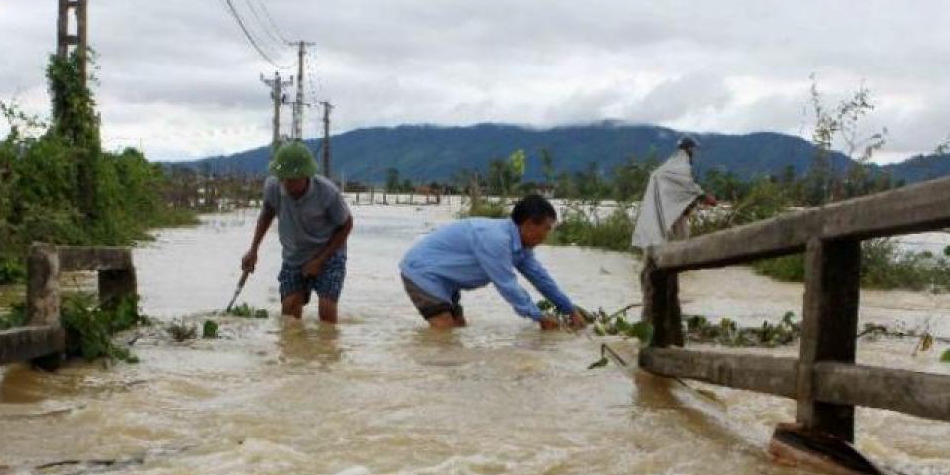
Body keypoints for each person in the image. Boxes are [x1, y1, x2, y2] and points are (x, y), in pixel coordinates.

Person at [399, 194, 588, 330]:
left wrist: (569, 309)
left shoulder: (521, 247)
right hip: (424, 273)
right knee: (444, 333)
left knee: (458, 329)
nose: (547, 235)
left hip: (447, 280)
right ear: (530, 224)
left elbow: (541, 279)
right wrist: (539, 316)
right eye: (546, 229)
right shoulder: (496, 239)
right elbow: (507, 284)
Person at [241, 142, 354, 323]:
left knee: (326, 311)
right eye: (282, 178)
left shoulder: (327, 192)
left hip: (329, 253)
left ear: (306, 176)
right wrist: (253, 249)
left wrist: (320, 260)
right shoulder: (273, 187)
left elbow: (347, 224)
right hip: (294, 255)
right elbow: (267, 214)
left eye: (292, 179)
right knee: (289, 314)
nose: (286, 184)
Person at [631, 136, 718, 250]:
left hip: (673, 209)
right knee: (683, 240)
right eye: (693, 149)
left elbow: (683, 186)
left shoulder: (673, 163)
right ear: (689, 149)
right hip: (677, 211)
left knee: (674, 239)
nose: (694, 152)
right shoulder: (681, 165)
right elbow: (688, 186)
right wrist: (706, 197)